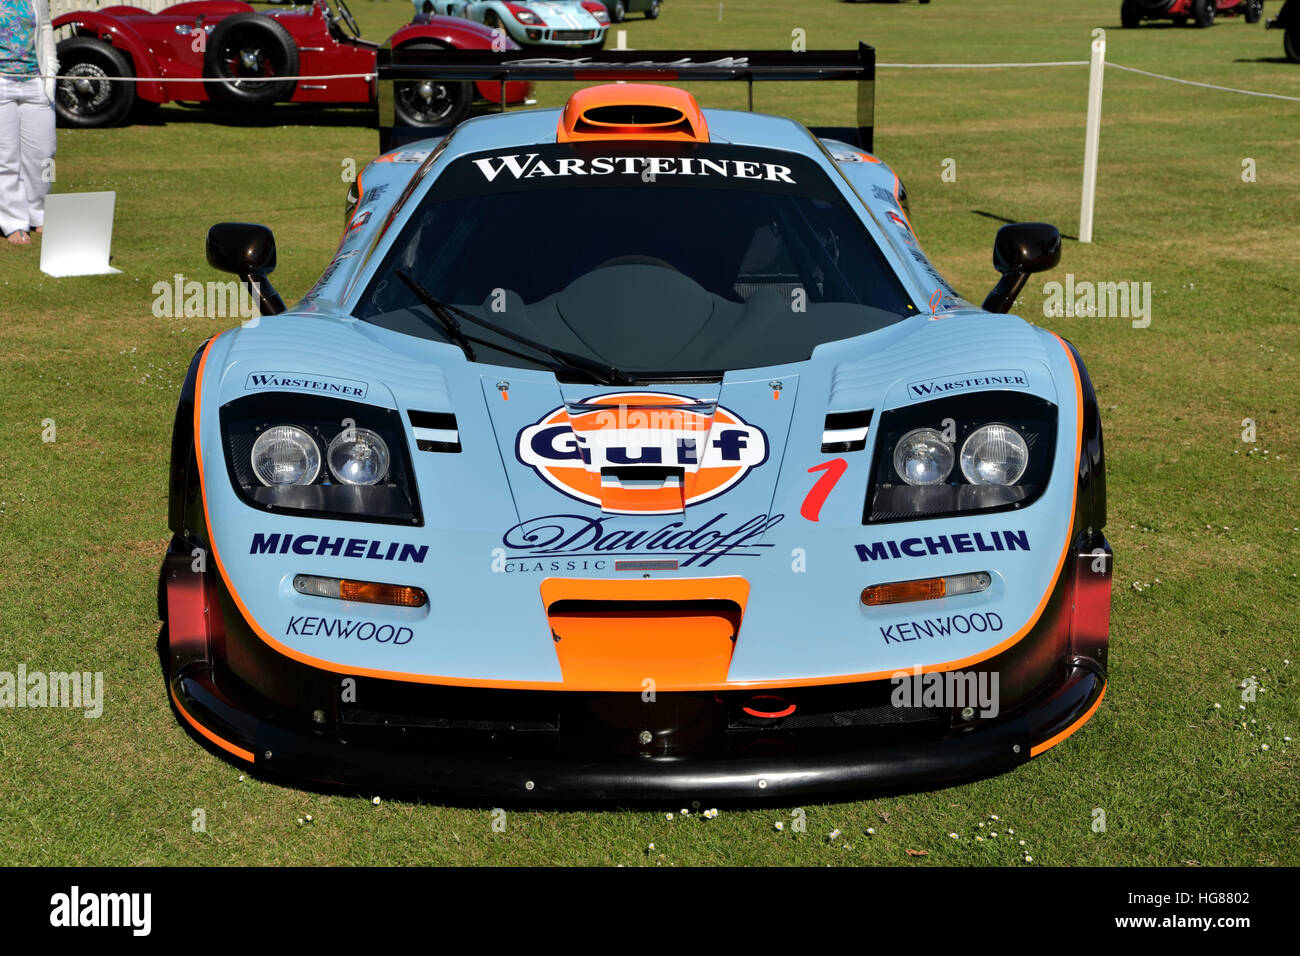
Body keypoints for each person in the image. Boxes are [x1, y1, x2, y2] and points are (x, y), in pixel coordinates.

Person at [0, 0, 57, 246]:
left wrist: (51, 74)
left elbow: (45, 27)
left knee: (45, 155)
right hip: (2, 84)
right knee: (5, 159)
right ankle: (13, 221)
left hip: (36, 82)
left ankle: (40, 213)